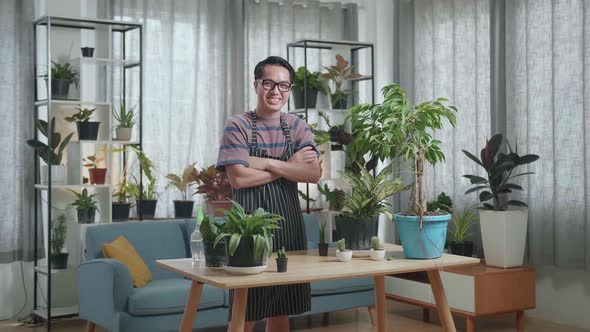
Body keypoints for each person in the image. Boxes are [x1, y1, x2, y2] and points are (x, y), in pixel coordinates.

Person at [216, 56, 321, 332]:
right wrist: (287, 166)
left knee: (282, 308)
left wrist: (263, 162)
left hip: (289, 225)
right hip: (247, 229)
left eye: (284, 85)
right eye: (269, 83)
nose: (276, 91)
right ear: (256, 85)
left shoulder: (298, 126)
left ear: (289, 89)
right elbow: (238, 178)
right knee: (246, 307)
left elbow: (313, 174)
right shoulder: (237, 125)